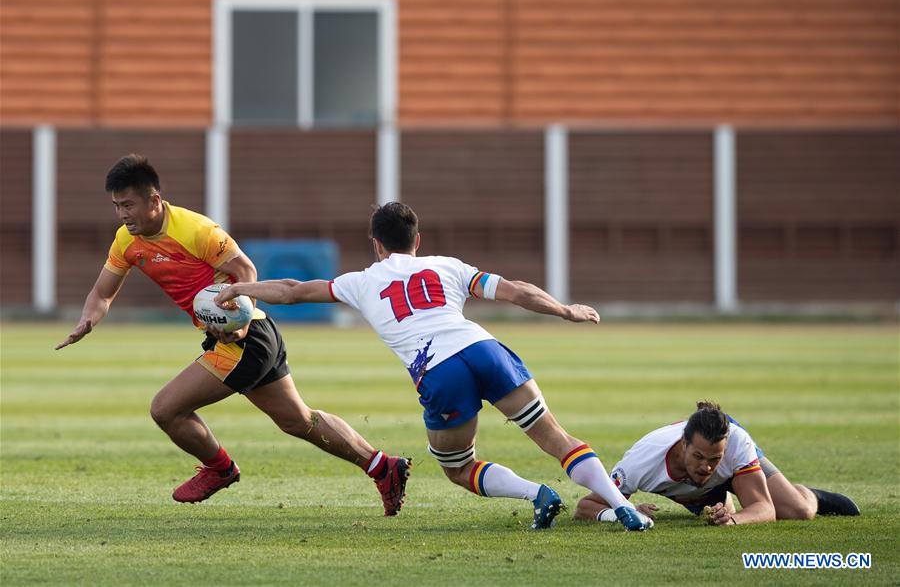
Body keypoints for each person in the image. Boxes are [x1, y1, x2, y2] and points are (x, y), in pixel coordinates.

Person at [215, 201, 653, 531]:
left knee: (459, 468)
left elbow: (291, 290)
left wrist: (242, 288)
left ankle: (537, 494)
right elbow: (517, 290)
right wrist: (564, 310)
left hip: (440, 372)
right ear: (417, 241)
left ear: (377, 244)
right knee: (557, 438)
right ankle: (622, 505)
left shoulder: (361, 281)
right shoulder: (449, 266)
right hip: (485, 349)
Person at [56, 155, 410, 516]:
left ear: (155, 201)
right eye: (117, 206)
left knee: (166, 409)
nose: (122, 214)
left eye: (128, 205)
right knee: (299, 421)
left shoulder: (195, 230)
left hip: (245, 336)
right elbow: (102, 293)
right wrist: (88, 319)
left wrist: (236, 321)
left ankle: (220, 469)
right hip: (249, 337)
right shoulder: (125, 242)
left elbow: (245, 269)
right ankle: (383, 467)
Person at [574, 401, 860, 526]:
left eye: (714, 460)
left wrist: (733, 521)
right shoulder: (640, 463)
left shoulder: (735, 442)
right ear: (684, 445)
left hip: (734, 464)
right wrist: (627, 510)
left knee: (797, 511)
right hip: (696, 490)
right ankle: (726, 498)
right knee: (713, 505)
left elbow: (764, 509)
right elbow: (585, 507)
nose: (706, 467)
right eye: (698, 456)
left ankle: (808, 494)